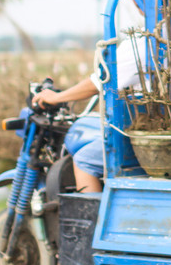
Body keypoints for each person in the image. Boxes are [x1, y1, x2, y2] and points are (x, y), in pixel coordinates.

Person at [30, 43, 142, 193]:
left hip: (138, 135)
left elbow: (100, 81)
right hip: (146, 128)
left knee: (84, 161)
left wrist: (56, 97)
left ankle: (93, 215)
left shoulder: (140, 44)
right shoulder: (167, 37)